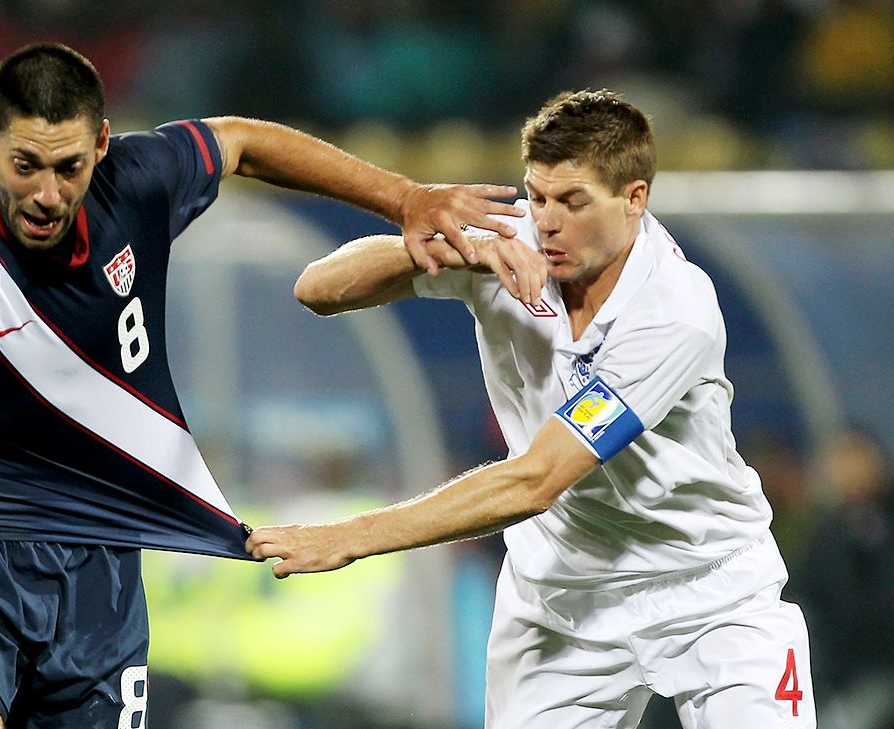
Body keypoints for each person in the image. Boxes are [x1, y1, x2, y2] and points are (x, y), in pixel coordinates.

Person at [0, 42, 527, 729]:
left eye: (69, 166)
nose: (47, 192)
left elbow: (244, 140)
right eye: (25, 165)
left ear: (103, 146)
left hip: (99, 564)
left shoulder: (139, 183)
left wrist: (406, 198)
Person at [246, 89, 817, 728]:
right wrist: (453, 250)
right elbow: (317, 289)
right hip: (563, 596)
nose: (546, 222)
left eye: (572, 202)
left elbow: (536, 478)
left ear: (634, 199)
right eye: (537, 196)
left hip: (708, 588)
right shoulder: (510, 242)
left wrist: (347, 538)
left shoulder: (674, 313)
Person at [792, 425, 894, 729]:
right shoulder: (827, 533)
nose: (843, 469)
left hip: (878, 670)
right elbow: (809, 602)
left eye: (854, 457)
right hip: (837, 677)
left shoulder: (881, 524)